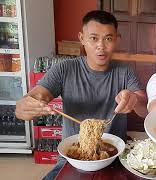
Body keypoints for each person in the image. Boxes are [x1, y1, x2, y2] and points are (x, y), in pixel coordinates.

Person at [15, 10, 147, 179]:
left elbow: (144, 109)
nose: (101, 45)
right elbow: (36, 97)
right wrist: (26, 105)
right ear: (82, 38)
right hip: (73, 155)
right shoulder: (64, 69)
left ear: (116, 40)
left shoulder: (125, 72)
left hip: (116, 155)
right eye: (93, 38)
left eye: (108, 38)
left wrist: (135, 99)